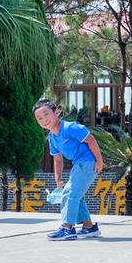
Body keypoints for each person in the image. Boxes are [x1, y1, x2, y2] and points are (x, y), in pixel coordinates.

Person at [33, 99, 104, 241]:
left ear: (57, 112)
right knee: (77, 196)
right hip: (79, 164)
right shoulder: (52, 138)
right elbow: (57, 159)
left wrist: (99, 161)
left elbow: (90, 140)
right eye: (39, 118)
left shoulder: (70, 127)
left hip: (88, 162)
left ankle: (67, 228)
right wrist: (58, 179)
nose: (44, 120)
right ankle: (89, 227)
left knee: (70, 193)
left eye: (46, 114)